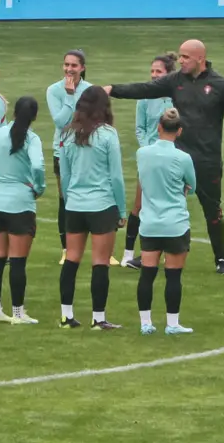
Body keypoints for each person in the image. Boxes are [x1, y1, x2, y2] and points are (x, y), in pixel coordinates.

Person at [104, 39, 224, 275]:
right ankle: (151, 256)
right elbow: (144, 89)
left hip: (207, 161)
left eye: (185, 57)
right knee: (162, 206)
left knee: (212, 210)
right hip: (175, 159)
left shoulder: (221, 85)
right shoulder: (175, 81)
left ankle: (221, 259)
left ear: (200, 58)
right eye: (180, 57)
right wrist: (112, 89)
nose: (180, 61)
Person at [0, 96, 45, 325]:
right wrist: (38, 187)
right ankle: (18, 313)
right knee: (18, 261)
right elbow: (37, 165)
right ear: (34, 116)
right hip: (20, 203)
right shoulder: (32, 138)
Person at [58, 86, 127, 329]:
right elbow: (116, 177)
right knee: (100, 261)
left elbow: (64, 176)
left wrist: (69, 201)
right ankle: (98, 318)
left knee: (72, 259)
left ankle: (67, 315)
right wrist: (121, 210)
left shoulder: (67, 135)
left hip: (75, 205)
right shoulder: (108, 134)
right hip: (102, 205)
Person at [135, 108, 197, 335]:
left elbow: (143, 179)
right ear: (179, 131)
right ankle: (172, 324)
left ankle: (145, 322)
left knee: (147, 274)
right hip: (175, 224)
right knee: (173, 275)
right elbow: (192, 186)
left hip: (150, 223)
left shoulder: (142, 153)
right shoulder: (183, 158)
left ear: (158, 127)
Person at [123, 53, 176, 270]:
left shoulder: (176, 97)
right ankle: (128, 253)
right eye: (152, 71)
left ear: (168, 74)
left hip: (171, 158)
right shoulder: (144, 97)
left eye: (159, 72)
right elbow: (140, 128)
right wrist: (149, 150)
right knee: (139, 204)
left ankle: (167, 252)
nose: (154, 75)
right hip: (149, 158)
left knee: (168, 205)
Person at [46, 50, 92, 265]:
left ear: (82, 67)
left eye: (74, 65)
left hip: (86, 150)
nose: (69, 69)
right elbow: (61, 122)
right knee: (65, 198)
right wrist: (70, 95)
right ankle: (66, 249)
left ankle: (88, 245)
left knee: (88, 195)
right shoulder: (54, 90)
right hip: (62, 151)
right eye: (66, 65)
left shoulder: (91, 90)